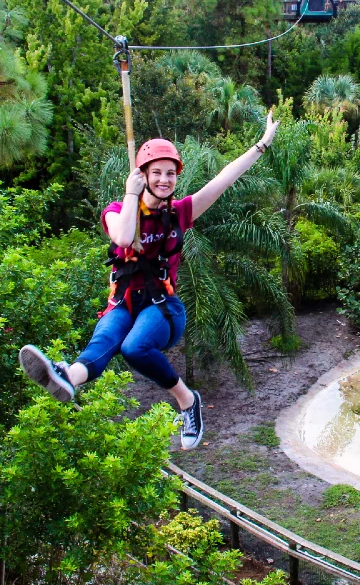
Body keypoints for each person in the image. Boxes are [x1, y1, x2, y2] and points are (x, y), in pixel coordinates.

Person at [18, 112, 281, 450]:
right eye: (156, 172)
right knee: (102, 346)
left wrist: (262, 144)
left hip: (163, 309)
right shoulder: (116, 210)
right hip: (124, 303)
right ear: (142, 175)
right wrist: (131, 195)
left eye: (170, 174)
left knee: (133, 347)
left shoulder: (180, 212)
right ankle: (66, 378)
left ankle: (188, 401)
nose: (164, 180)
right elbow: (125, 238)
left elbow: (223, 180)